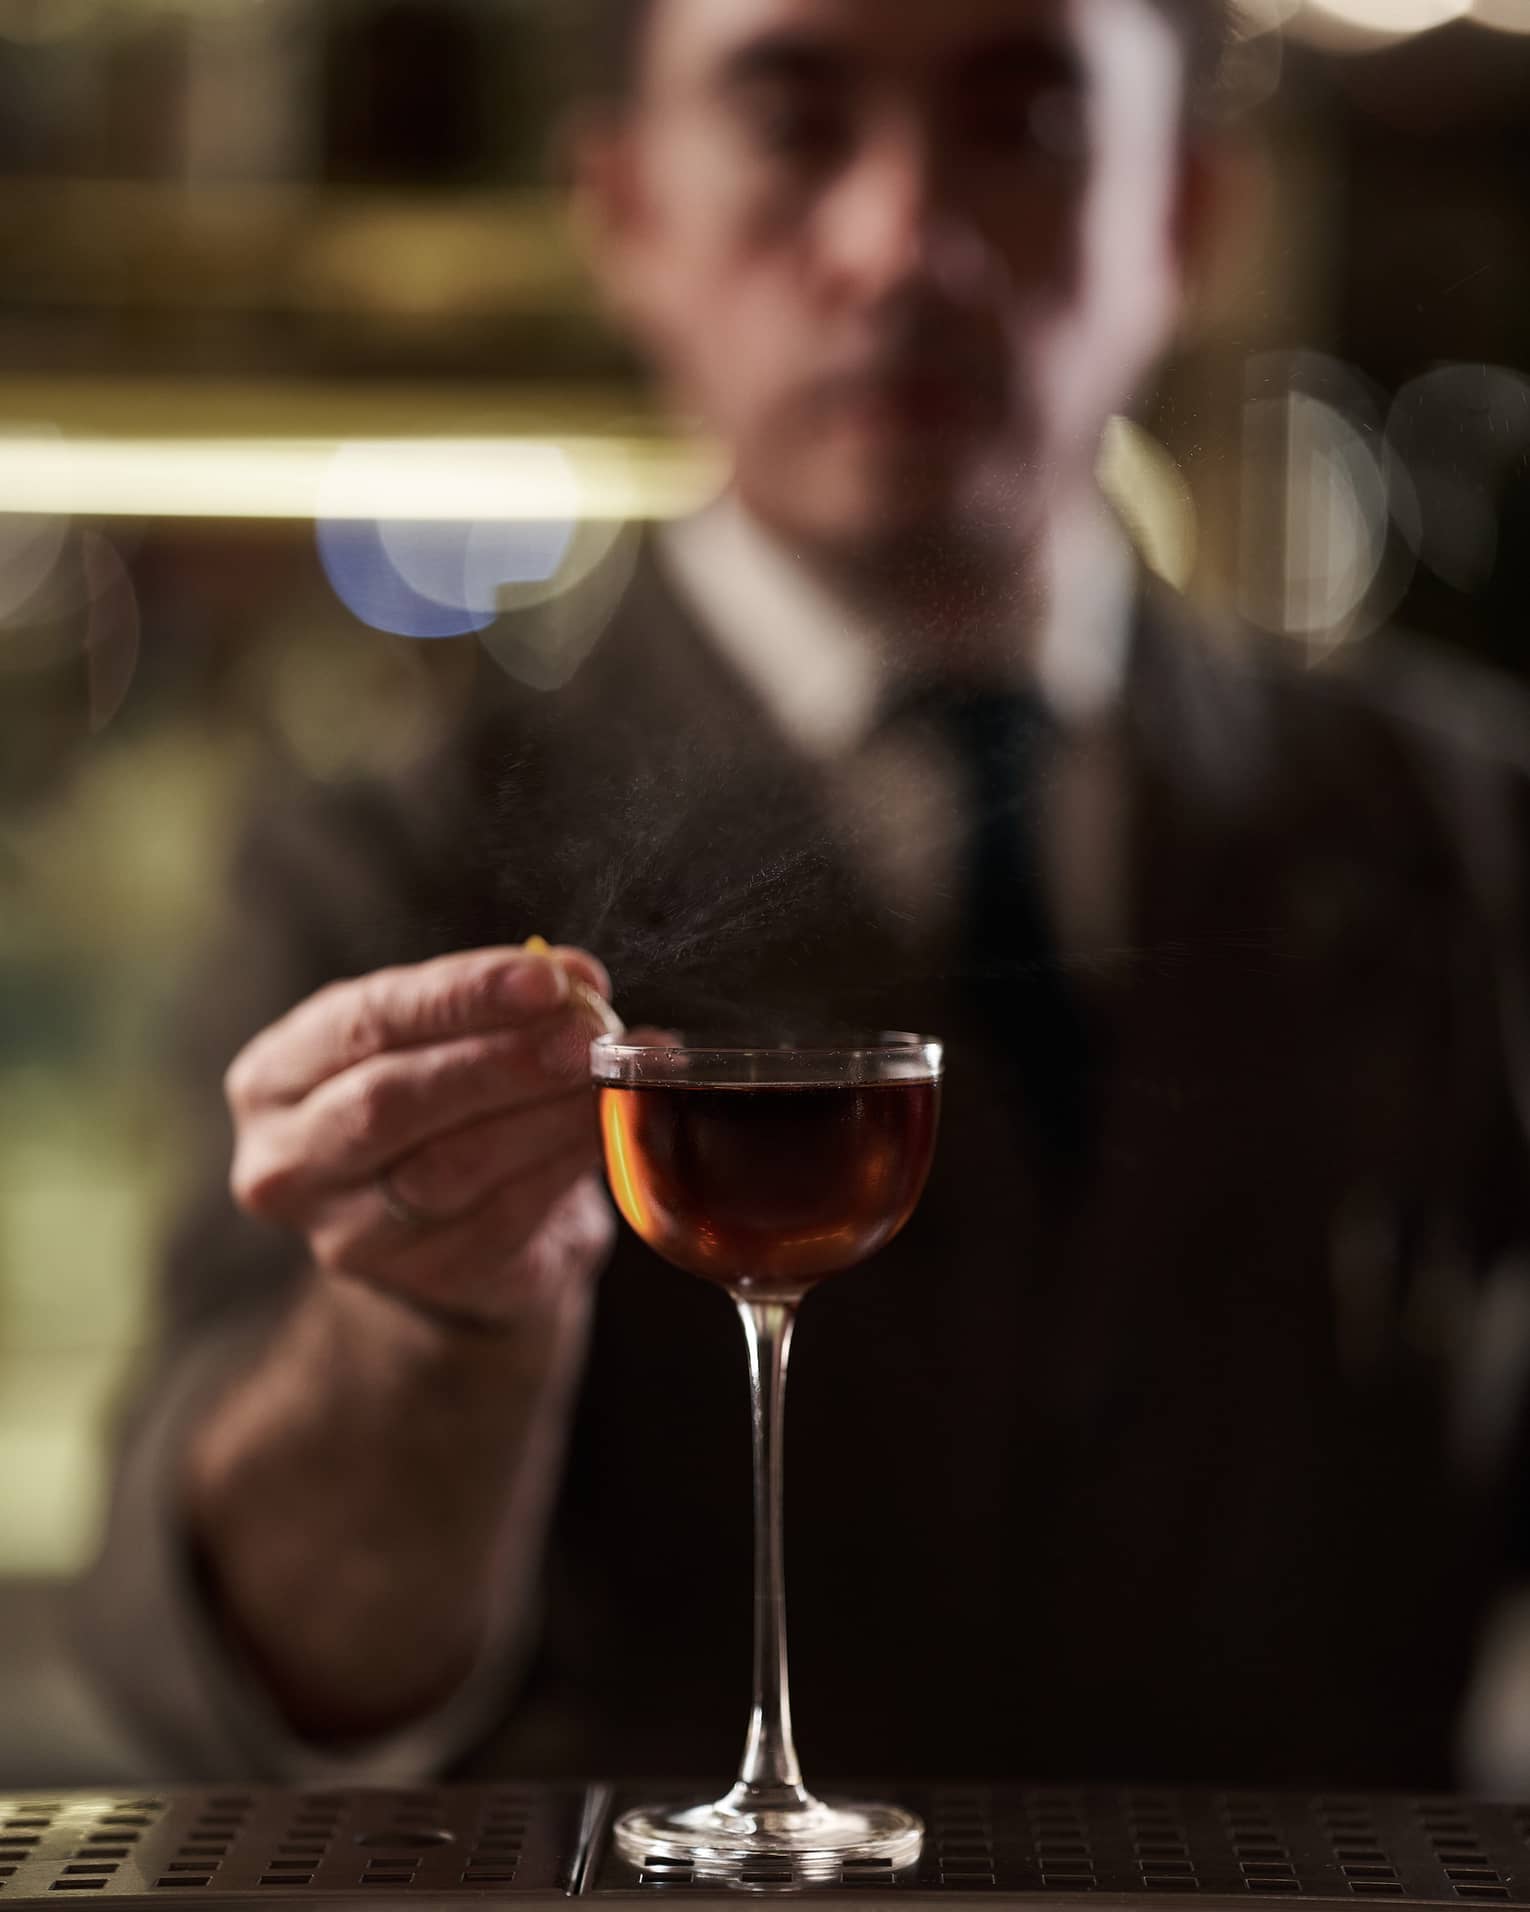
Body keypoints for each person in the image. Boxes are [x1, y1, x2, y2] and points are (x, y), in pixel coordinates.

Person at [73, 0, 1530, 1790]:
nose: (899, 239)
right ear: (624, 214)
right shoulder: (393, 857)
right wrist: (432, 1328)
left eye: (1025, 123)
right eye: (792, 120)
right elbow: (250, 1671)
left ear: (1182, 219)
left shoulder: (1460, 829)